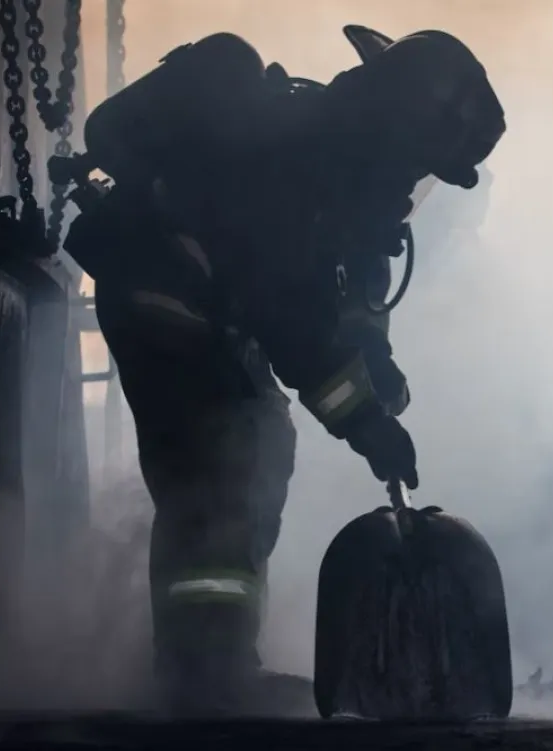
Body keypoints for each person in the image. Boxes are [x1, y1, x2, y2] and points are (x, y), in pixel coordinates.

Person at [62, 25, 505, 715]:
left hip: (219, 318)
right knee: (221, 465)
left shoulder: (351, 185)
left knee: (261, 439)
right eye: (423, 159)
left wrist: (377, 366)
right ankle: (199, 673)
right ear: (397, 130)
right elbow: (298, 334)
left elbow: (350, 303)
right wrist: (367, 424)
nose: (417, 181)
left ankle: (217, 656)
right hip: (166, 305)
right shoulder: (299, 167)